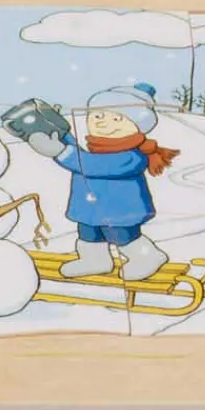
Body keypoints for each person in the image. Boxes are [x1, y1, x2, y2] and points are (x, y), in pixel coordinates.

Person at [27, 84, 178, 279]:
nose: (103, 122)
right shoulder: (95, 150)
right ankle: (95, 261)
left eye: (116, 119)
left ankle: (148, 257)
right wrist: (60, 131)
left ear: (137, 127)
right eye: (98, 116)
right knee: (89, 233)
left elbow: (91, 165)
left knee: (123, 235)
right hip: (89, 209)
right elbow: (81, 156)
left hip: (119, 210)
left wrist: (61, 152)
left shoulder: (131, 157)